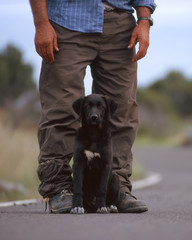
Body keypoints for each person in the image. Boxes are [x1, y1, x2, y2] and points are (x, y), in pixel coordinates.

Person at [29, 0, 156, 213]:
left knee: (121, 110)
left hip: (120, 24)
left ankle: (116, 189)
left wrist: (144, 20)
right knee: (61, 109)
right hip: (67, 21)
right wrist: (42, 24)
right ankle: (58, 188)